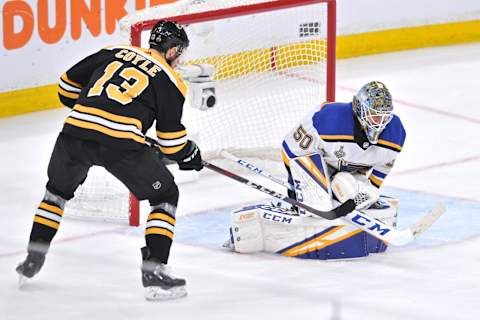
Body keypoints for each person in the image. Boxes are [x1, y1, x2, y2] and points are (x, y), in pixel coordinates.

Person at [16, 20, 203, 301]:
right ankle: (154, 273)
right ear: (174, 50)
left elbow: (66, 85)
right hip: (120, 146)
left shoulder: (114, 50)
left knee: (55, 194)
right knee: (165, 196)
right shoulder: (170, 81)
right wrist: (189, 154)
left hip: (74, 133)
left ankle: (33, 258)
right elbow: (171, 142)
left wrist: (97, 111)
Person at [227, 81, 406, 259]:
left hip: (346, 170)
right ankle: (311, 203)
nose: (380, 122)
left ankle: (338, 194)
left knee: (363, 193)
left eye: (384, 117)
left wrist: (369, 192)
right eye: (374, 116)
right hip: (313, 159)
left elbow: (384, 164)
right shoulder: (328, 121)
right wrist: (300, 188)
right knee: (317, 206)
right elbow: (291, 149)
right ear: (360, 109)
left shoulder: (395, 133)